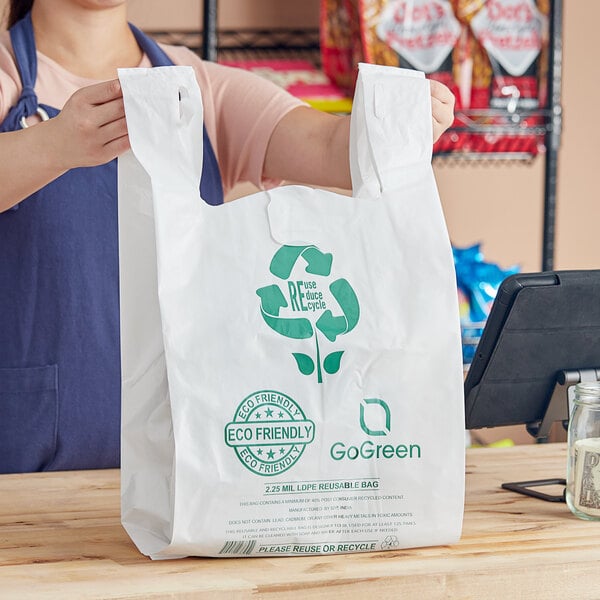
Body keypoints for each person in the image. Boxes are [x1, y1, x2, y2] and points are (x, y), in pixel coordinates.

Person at [0, 0, 455, 474]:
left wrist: (395, 124)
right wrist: (54, 144)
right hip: (24, 470)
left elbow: (331, 147)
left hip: (182, 470)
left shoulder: (195, 85)